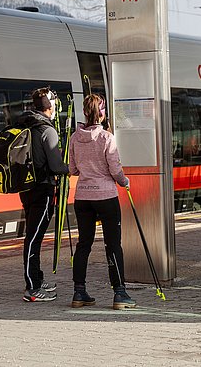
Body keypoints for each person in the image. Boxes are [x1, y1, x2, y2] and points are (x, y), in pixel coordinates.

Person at [68, 94, 136, 310]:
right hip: (106, 197)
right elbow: (115, 170)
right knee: (113, 244)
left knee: (83, 245)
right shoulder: (107, 137)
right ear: (102, 112)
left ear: (85, 112)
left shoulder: (74, 138)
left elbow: (72, 170)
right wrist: (125, 181)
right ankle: (119, 293)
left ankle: (79, 292)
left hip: (83, 198)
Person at [19, 87, 69, 302]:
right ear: (49, 106)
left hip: (26, 187)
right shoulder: (47, 130)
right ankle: (32, 288)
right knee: (34, 238)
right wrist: (71, 167)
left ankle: (37, 279)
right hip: (43, 189)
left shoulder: (27, 124)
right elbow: (56, 166)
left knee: (33, 235)